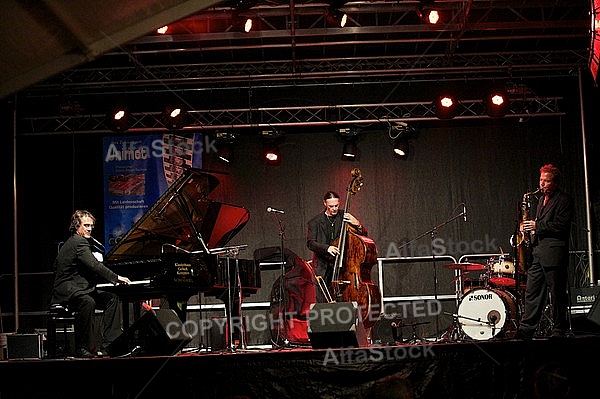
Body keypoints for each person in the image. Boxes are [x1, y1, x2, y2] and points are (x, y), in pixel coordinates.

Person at [50, 210, 131, 357]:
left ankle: (110, 345)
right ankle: (82, 347)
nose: (89, 229)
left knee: (111, 298)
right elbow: (94, 265)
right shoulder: (78, 242)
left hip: (80, 287)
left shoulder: (74, 242)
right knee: (88, 302)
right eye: (86, 225)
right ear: (76, 226)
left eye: (91, 226)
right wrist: (116, 277)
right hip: (68, 290)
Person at [517, 164, 574, 339]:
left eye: (546, 181)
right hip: (538, 253)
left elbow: (561, 226)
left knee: (556, 294)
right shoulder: (541, 200)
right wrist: (528, 230)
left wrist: (537, 226)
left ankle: (559, 329)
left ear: (555, 183)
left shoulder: (564, 199)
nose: (541, 184)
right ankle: (527, 328)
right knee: (532, 292)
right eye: (541, 180)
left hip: (554, 254)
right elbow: (542, 225)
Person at [306, 191, 367, 302]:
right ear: (325, 204)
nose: (334, 209)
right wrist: (327, 248)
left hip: (343, 266)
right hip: (323, 266)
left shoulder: (345, 217)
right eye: (331, 206)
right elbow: (310, 243)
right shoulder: (315, 222)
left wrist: (358, 224)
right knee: (323, 301)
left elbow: (363, 236)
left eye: (336, 206)